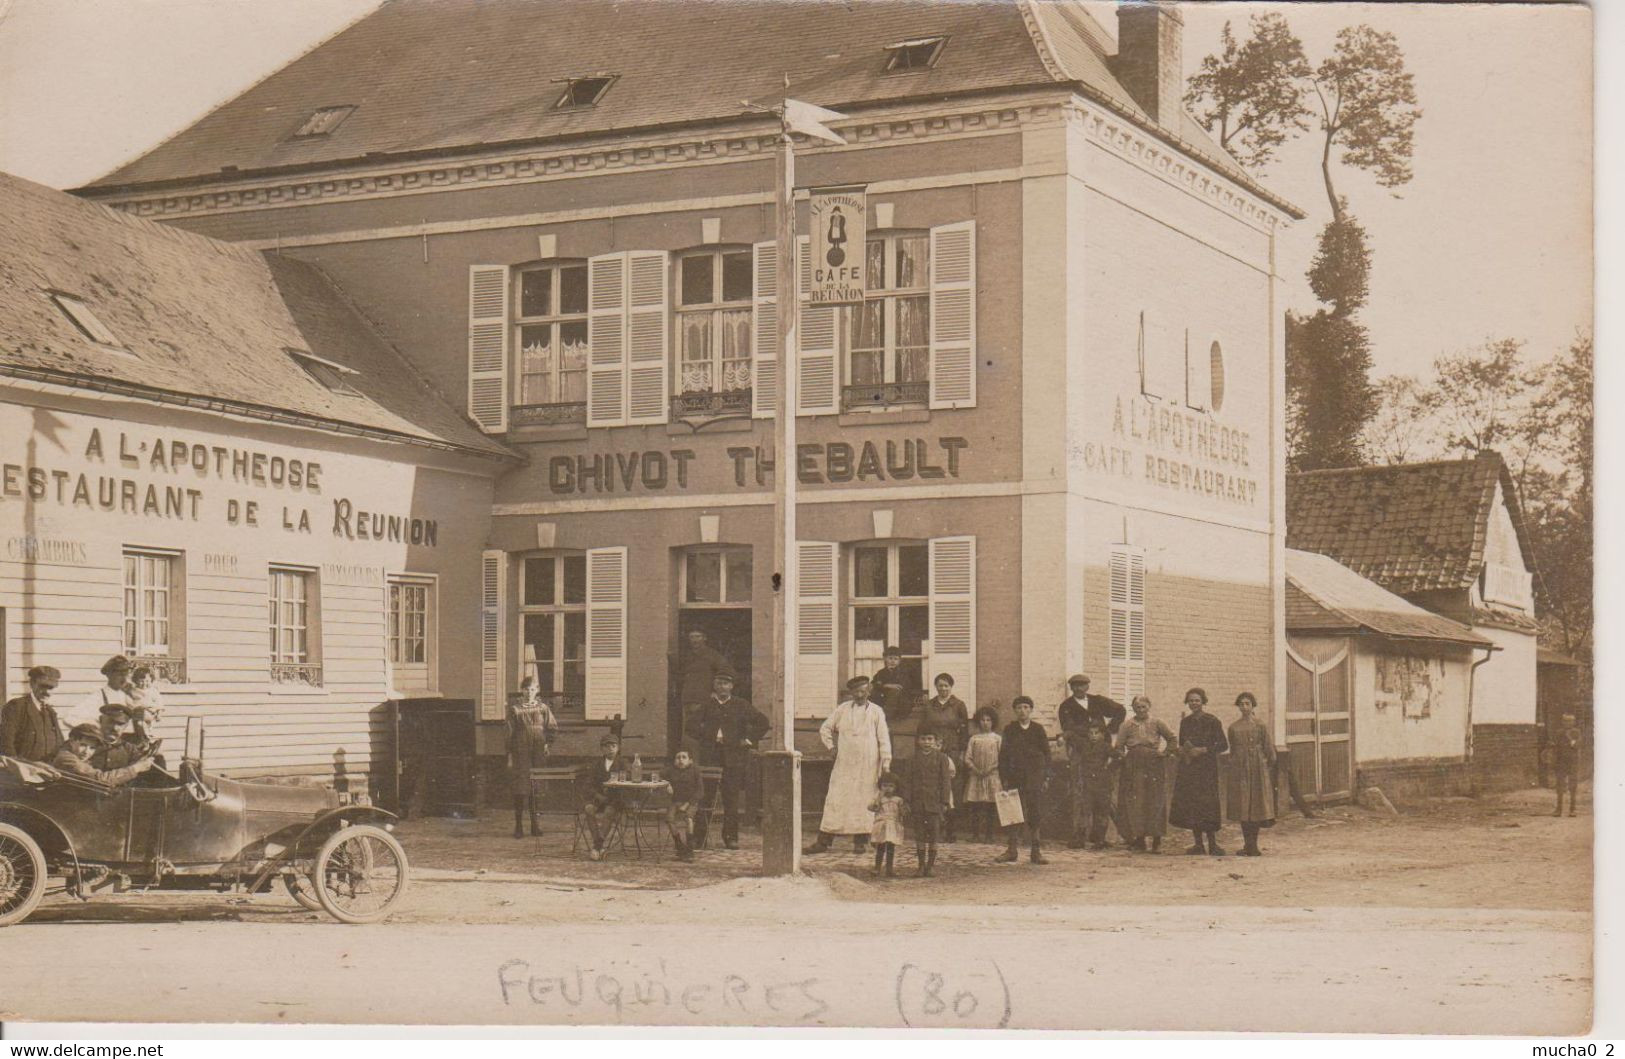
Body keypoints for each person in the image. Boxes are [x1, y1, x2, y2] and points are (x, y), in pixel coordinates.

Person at [805, 675, 893, 855]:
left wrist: (886, 762)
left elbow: (884, 738)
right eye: (856, 691)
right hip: (845, 763)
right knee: (837, 799)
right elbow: (825, 728)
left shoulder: (877, 711)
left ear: (869, 691)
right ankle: (824, 841)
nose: (860, 695)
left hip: (868, 763)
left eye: (863, 691)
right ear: (851, 693)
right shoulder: (842, 709)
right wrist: (831, 747)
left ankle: (860, 842)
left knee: (864, 800)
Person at [689, 669, 770, 849]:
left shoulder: (741, 705)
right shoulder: (706, 705)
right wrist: (709, 736)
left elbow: (763, 722)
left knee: (731, 798)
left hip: (733, 758)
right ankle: (699, 838)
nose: (722, 687)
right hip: (710, 757)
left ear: (731, 686)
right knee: (705, 797)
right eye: (718, 683)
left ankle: (731, 838)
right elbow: (690, 726)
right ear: (714, 686)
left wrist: (748, 740)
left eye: (726, 683)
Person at [1058, 674, 1126, 846]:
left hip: (1102, 751)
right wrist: (1083, 740)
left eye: (1082, 685)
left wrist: (1109, 730)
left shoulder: (1097, 701)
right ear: (1071, 688)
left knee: (1103, 792)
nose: (1079, 689)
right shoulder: (1066, 706)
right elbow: (1069, 729)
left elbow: (1120, 710)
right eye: (1075, 686)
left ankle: (1100, 836)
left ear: (1088, 687)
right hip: (1080, 752)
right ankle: (1079, 835)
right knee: (1081, 790)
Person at [1170, 687, 1228, 856]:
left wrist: (1203, 750)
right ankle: (1198, 845)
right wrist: (1182, 751)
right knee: (1192, 805)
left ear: (1203, 701)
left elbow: (1223, 745)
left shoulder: (1212, 721)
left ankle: (1213, 844)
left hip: (1206, 769)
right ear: (1187, 703)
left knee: (1207, 805)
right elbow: (1182, 743)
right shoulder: (1185, 722)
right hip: (1189, 769)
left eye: (1197, 700)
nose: (1194, 703)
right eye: (1191, 700)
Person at [1115, 695, 1177, 852]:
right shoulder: (1127, 725)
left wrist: (1165, 753)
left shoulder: (1157, 723)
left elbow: (1172, 738)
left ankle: (1157, 840)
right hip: (1134, 764)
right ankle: (1139, 839)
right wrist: (1123, 758)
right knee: (1136, 800)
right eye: (1137, 707)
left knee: (1155, 799)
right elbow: (1119, 745)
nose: (1141, 710)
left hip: (1154, 763)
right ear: (1133, 708)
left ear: (1149, 707)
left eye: (1144, 707)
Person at [996, 695, 1051, 865]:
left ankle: (1036, 851)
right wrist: (1004, 777)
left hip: (1034, 777)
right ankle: (1012, 850)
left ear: (1031, 710)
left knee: (1035, 812)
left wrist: (1046, 776)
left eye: (1026, 707)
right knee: (1013, 812)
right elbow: (1003, 755)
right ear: (1015, 710)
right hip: (1015, 777)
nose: (1022, 711)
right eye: (1019, 707)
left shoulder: (1038, 730)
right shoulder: (1010, 730)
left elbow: (1047, 754)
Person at [917, 673, 969, 841]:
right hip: (931, 752)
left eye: (946, 685)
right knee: (931, 788)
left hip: (951, 752)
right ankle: (932, 830)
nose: (943, 688)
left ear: (951, 687)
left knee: (951, 789)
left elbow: (964, 732)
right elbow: (921, 730)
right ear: (936, 687)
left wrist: (961, 752)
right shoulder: (929, 706)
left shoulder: (959, 705)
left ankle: (950, 830)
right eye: (940, 685)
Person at [1225, 692, 1276, 856]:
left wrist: (1265, 766)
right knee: (1243, 806)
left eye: (1248, 703)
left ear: (1253, 706)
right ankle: (1247, 845)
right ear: (1238, 707)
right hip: (1240, 769)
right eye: (1241, 704)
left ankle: (1253, 845)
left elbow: (1269, 749)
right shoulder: (1233, 727)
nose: (1244, 707)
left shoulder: (1260, 725)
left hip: (1257, 769)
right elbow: (1232, 750)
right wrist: (1234, 767)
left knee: (1256, 806)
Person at [508, 676, 559, 839]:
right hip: (520, 751)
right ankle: (518, 826)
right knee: (521, 787)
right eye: (526, 689)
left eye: (532, 689)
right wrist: (509, 753)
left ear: (536, 691)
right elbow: (509, 733)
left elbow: (551, 727)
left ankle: (535, 826)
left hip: (537, 751)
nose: (529, 693)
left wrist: (547, 744)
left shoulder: (543, 708)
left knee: (535, 787)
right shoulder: (514, 709)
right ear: (522, 691)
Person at [905, 730, 954, 876]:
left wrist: (945, 802)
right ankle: (920, 866)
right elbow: (907, 782)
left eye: (930, 739)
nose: (926, 742)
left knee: (934, 834)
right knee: (919, 834)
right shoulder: (912, 759)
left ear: (935, 741)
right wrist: (907, 800)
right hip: (918, 803)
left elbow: (946, 781)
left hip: (935, 803)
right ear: (918, 741)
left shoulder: (942, 758)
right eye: (923, 739)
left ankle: (930, 866)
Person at [53, 723, 157, 787]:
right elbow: (101, 779)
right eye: (83, 745)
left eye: (92, 748)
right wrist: (136, 768)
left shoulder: (72, 753)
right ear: (72, 740)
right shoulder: (66, 758)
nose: (87, 751)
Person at [1, 666, 64, 763]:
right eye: (42, 686)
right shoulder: (17, 707)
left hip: (48, 771)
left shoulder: (50, 712)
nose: (47, 692)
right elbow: (6, 744)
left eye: (51, 688)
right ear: (32, 684)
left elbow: (59, 744)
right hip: (23, 773)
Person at [578, 733, 623, 861]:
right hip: (599, 799)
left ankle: (596, 846)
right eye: (607, 746)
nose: (610, 749)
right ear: (602, 749)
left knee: (609, 811)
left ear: (618, 748)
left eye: (613, 746)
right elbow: (588, 785)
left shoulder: (623, 763)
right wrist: (598, 796)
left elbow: (628, 780)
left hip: (616, 799)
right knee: (589, 809)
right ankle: (600, 846)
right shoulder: (596, 764)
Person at [1071, 720, 1115, 850]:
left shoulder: (1106, 747)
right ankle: (1080, 839)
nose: (1093, 736)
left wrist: (1108, 769)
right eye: (1091, 733)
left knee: (1102, 812)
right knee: (1085, 811)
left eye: (1097, 733)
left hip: (1103, 784)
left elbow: (1118, 757)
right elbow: (1072, 735)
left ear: (1102, 735)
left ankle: (1100, 840)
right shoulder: (1084, 746)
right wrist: (1063, 737)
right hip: (1087, 783)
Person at [962, 705, 1004, 842]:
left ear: (993, 722)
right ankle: (975, 834)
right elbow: (967, 757)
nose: (985, 723)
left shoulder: (997, 739)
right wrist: (975, 769)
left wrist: (990, 769)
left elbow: (1001, 757)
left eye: (988, 720)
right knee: (976, 806)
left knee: (991, 806)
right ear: (978, 722)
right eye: (982, 720)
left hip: (992, 776)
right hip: (976, 776)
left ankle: (989, 835)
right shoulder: (974, 739)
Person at [677, 630, 730, 728]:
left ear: (705, 638)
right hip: (688, 698)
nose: (695, 640)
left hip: (705, 698)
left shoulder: (713, 655)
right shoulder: (686, 656)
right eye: (692, 637)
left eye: (698, 636)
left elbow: (726, 672)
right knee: (688, 730)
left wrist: (717, 690)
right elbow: (680, 675)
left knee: (704, 730)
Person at [63, 655, 133, 729]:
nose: (124, 679)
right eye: (120, 675)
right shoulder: (97, 697)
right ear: (109, 675)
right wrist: (96, 727)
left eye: (126, 675)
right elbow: (69, 718)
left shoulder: (129, 696)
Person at [667, 744, 703, 861]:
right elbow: (660, 776)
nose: (681, 760)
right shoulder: (671, 770)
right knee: (670, 819)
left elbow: (700, 791)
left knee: (688, 818)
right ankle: (679, 846)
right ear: (674, 761)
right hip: (675, 801)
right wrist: (667, 784)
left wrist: (687, 804)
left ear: (690, 761)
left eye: (684, 757)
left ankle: (689, 849)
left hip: (690, 802)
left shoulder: (695, 771)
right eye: (678, 757)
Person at [868, 772, 905, 878]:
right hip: (882, 825)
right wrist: (878, 798)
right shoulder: (879, 799)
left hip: (892, 825)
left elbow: (902, 813)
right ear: (880, 786)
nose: (887, 788)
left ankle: (889, 869)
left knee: (891, 848)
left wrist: (903, 810)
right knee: (880, 847)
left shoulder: (898, 800)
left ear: (896, 787)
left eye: (891, 786)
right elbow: (871, 808)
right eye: (884, 786)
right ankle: (877, 868)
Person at [870, 647, 917, 726]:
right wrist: (886, 685)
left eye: (896, 659)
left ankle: (883, 719)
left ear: (899, 661)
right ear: (885, 659)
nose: (893, 661)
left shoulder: (903, 673)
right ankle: (881, 718)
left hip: (900, 704)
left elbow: (902, 687)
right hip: (883, 703)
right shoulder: (881, 673)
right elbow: (874, 685)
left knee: (895, 692)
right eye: (890, 658)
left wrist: (885, 687)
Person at [1552, 711, 1583, 817]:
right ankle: (1558, 809)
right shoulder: (1558, 732)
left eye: (1570, 721)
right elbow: (1555, 748)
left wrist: (1571, 739)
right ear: (1562, 722)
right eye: (1565, 721)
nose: (1567, 723)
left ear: (1574, 722)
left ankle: (1572, 809)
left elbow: (1577, 745)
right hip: (1561, 762)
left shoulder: (1576, 732)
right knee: (1560, 786)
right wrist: (1554, 761)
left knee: (1572, 786)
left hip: (1573, 762)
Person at [125, 665, 165, 741]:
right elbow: (128, 701)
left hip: (150, 713)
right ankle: (144, 738)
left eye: (147, 681)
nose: (144, 683)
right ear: (135, 681)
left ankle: (147, 737)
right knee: (139, 726)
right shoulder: (133, 691)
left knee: (146, 726)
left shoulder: (153, 691)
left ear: (151, 680)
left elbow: (159, 702)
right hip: (137, 713)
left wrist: (159, 713)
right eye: (141, 681)